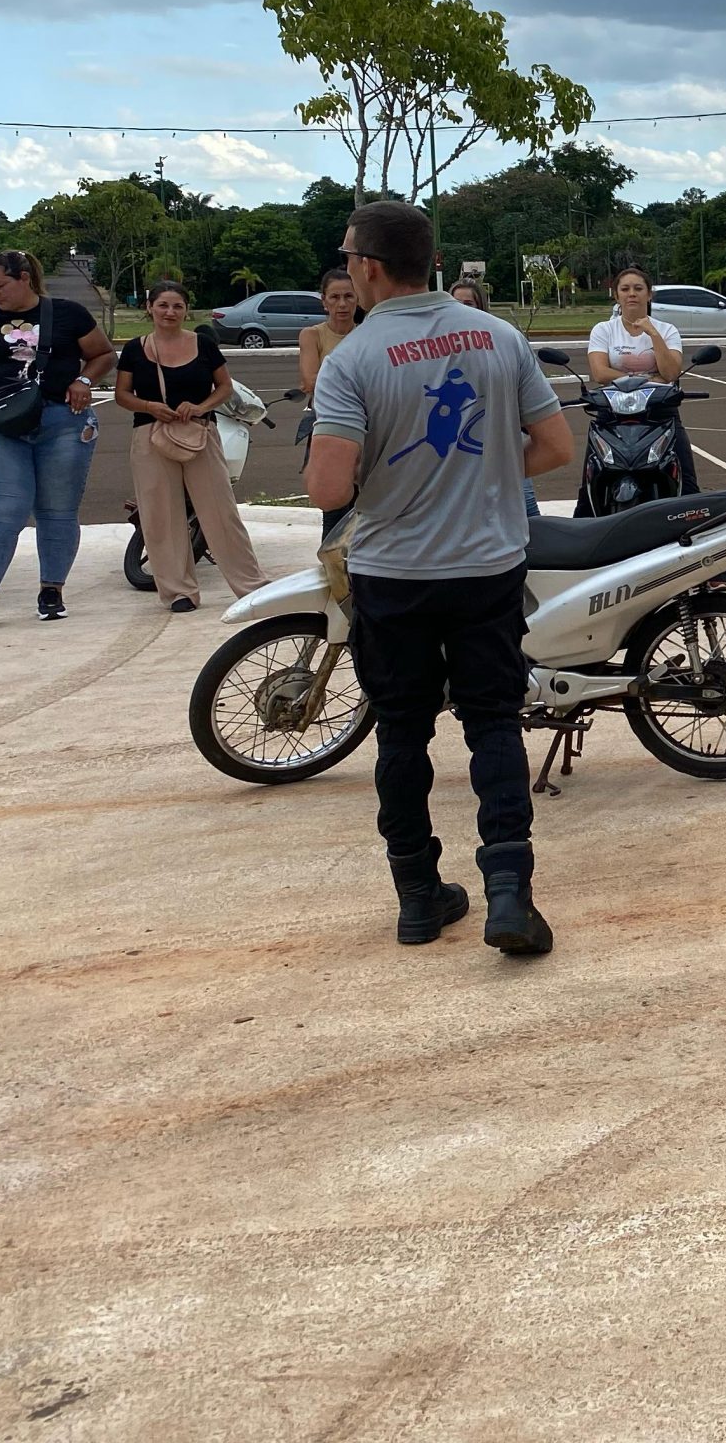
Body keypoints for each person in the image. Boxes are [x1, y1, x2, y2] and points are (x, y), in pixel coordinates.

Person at [308, 199, 573, 956]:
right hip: (487, 566)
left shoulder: (351, 360)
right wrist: (484, 472)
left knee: (403, 733)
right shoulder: (499, 338)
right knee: (492, 723)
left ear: (366, 266)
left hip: (394, 573)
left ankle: (419, 896)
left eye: (348, 257)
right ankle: (510, 893)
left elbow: (329, 489)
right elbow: (554, 445)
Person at [0, 249, 116, 633]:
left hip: (62, 421)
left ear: (24, 278)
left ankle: (52, 591)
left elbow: (102, 354)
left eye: (0, 285)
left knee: (57, 510)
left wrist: (84, 381)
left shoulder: (67, 313)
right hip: (2, 425)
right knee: (1, 512)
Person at [114, 280, 268, 612]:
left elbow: (224, 387)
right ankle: (178, 591)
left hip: (200, 433)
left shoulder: (203, 344)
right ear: (150, 308)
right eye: (163, 305)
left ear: (186, 310)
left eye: (177, 306)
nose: (170, 312)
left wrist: (201, 407)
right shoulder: (134, 349)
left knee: (220, 510)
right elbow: (122, 395)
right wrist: (149, 407)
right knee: (161, 515)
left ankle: (251, 584)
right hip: (150, 436)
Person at [450, 278, 543, 514]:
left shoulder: (504, 343)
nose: (461, 309)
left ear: (481, 307)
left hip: (503, 444)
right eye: (455, 303)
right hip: (458, 453)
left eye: (468, 303)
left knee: (529, 516)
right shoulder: (438, 356)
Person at [587, 266, 688, 385]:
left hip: (658, 400)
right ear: (616, 296)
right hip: (616, 399)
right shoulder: (603, 330)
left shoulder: (668, 330)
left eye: (638, 289)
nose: (632, 294)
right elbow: (600, 374)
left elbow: (671, 374)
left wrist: (653, 334)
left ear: (649, 295)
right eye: (625, 289)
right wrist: (645, 380)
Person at [298, 266, 362, 398]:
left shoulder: (368, 334)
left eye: (349, 296)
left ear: (358, 299)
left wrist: (325, 379)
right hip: (323, 413)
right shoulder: (311, 335)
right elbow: (310, 382)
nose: (342, 304)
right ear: (324, 301)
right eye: (334, 297)